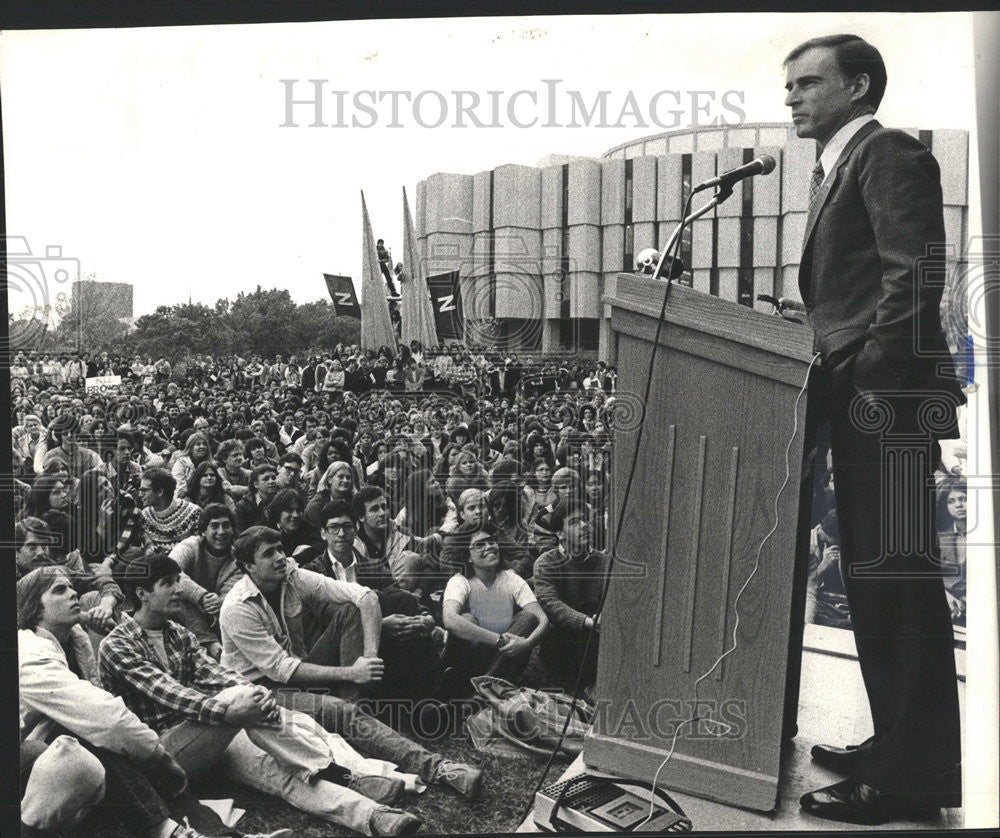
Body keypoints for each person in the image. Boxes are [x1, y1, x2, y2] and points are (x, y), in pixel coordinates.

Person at [783, 34, 963, 824]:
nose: (791, 95)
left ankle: (913, 778)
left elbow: (917, 271)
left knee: (897, 586)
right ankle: (897, 744)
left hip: (880, 407)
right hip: (862, 400)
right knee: (875, 582)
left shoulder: (886, 153)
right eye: (787, 85)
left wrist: (868, 382)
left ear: (859, 86)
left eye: (808, 82)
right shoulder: (837, 169)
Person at [99, 553, 425, 837]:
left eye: (177, 581)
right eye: (168, 583)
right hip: (164, 754)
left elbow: (217, 675)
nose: (179, 589)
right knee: (239, 701)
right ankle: (343, 776)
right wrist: (239, 706)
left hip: (209, 733)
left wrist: (255, 694)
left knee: (278, 771)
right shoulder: (117, 645)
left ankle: (374, 816)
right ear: (142, 594)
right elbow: (174, 696)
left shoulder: (177, 632)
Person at [17, 566, 289, 838]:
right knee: (100, 739)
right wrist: (158, 757)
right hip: (35, 765)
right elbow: (102, 715)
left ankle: (209, 835)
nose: (74, 593)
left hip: (70, 761)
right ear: (34, 608)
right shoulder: (29, 651)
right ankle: (175, 832)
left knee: (108, 746)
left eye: (71, 586)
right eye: (60, 590)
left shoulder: (75, 641)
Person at [218, 526, 483, 801]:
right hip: (263, 690)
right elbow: (282, 670)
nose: (279, 557)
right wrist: (351, 672)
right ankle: (440, 768)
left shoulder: (291, 576)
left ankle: (354, 710)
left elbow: (364, 596)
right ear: (249, 566)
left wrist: (368, 660)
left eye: (280, 549)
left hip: (301, 668)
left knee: (350, 609)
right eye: (268, 553)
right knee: (343, 712)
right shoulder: (238, 607)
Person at [439, 522, 548, 698]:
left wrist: (526, 643)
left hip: (504, 655)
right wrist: (498, 640)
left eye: (491, 542)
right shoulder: (459, 581)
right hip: (469, 658)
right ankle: (482, 690)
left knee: (528, 618)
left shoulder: (511, 579)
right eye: (480, 544)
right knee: (465, 619)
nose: (489, 547)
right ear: (468, 556)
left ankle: (481, 694)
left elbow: (543, 620)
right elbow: (450, 619)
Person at [532, 500, 605, 691]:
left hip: (596, 638)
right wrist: (587, 621)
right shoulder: (546, 562)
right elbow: (550, 603)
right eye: (574, 522)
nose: (583, 526)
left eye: (585, 521)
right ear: (559, 533)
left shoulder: (603, 561)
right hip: (563, 642)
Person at [140, 467, 203, 552]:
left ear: (160, 492)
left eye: (144, 490)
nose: (140, 494)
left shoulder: (193, 513)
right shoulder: (145, 516)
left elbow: (202, 548)